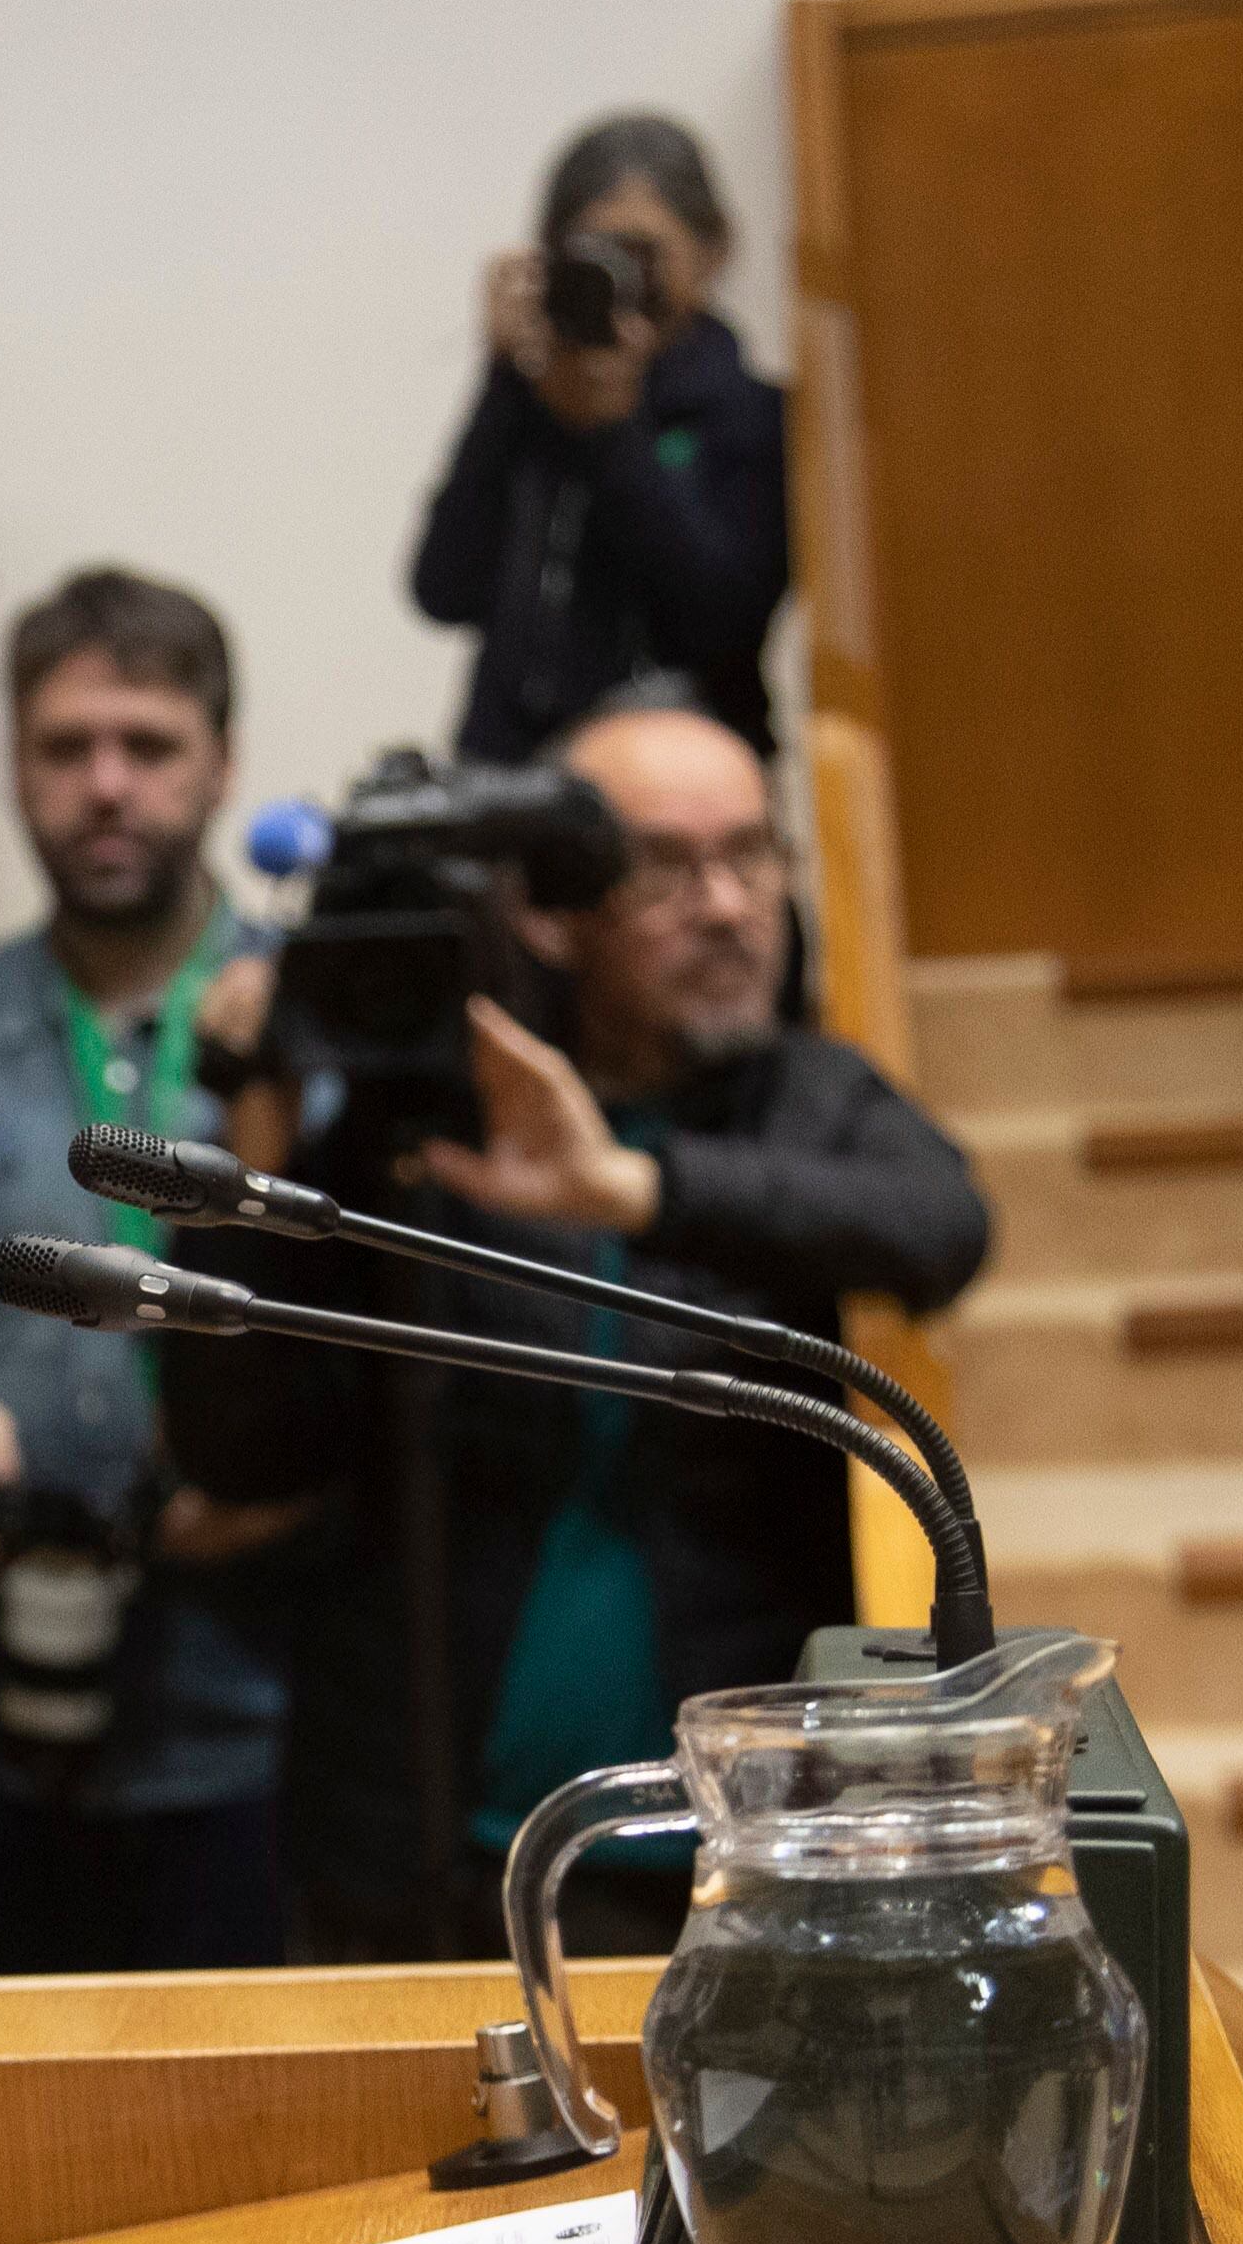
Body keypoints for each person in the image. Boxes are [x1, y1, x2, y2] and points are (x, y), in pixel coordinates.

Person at [163, 694, 991, 1963]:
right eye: (665, 867)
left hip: (742, 1867)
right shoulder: (435, 1120)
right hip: (425, 1857)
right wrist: (249, 1147)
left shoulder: (808, 1100)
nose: (726, 906)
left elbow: (941, 1224)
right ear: (552, 908)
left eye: (751, 854)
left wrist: (639, 1191)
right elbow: (244, 1451)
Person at [0, 568, 307, 1973]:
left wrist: (281, 1475)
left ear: (219, 765)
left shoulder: (309, 1006)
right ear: (11, 766)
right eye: (64, 745)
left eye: (145, 745)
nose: (104, 785)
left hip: (263, 1687)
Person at [410, 112, 791, 765]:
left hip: (684, 785)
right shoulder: (531, 402)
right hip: (517, 780)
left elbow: (723, 621)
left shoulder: (751, 412)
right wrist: (503, 376)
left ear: (712, 250)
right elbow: (442, 590)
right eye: (593, 257)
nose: (621, 284)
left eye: (641, 254)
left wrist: (615, 434)